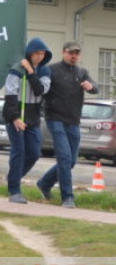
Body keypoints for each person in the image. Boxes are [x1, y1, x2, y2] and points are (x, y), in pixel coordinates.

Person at [37, 40, 97, 208]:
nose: (73, 56)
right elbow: (41, 90)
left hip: (73, 121)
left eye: (76, 53)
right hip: (55, 119)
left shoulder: (82, 72)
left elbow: (95, 87)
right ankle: (67, 197)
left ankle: (44, 183)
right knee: (64, 158)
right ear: (64, 52)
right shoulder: (52, 70)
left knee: (71, 161)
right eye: (70, 53)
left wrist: (91, 86)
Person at [3, 38, 52, 203]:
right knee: (19, 151)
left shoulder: (44, 71)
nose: (39, 56)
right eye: (36, 53)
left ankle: (13, 177)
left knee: (34, 152)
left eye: (42, 54)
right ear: (29, 53)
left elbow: (40, 90)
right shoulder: (16, 69)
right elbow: (10, 95)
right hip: (15, 115)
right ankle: (14, 190)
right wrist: (15, 118)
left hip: (33, 116)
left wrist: (31, 72)